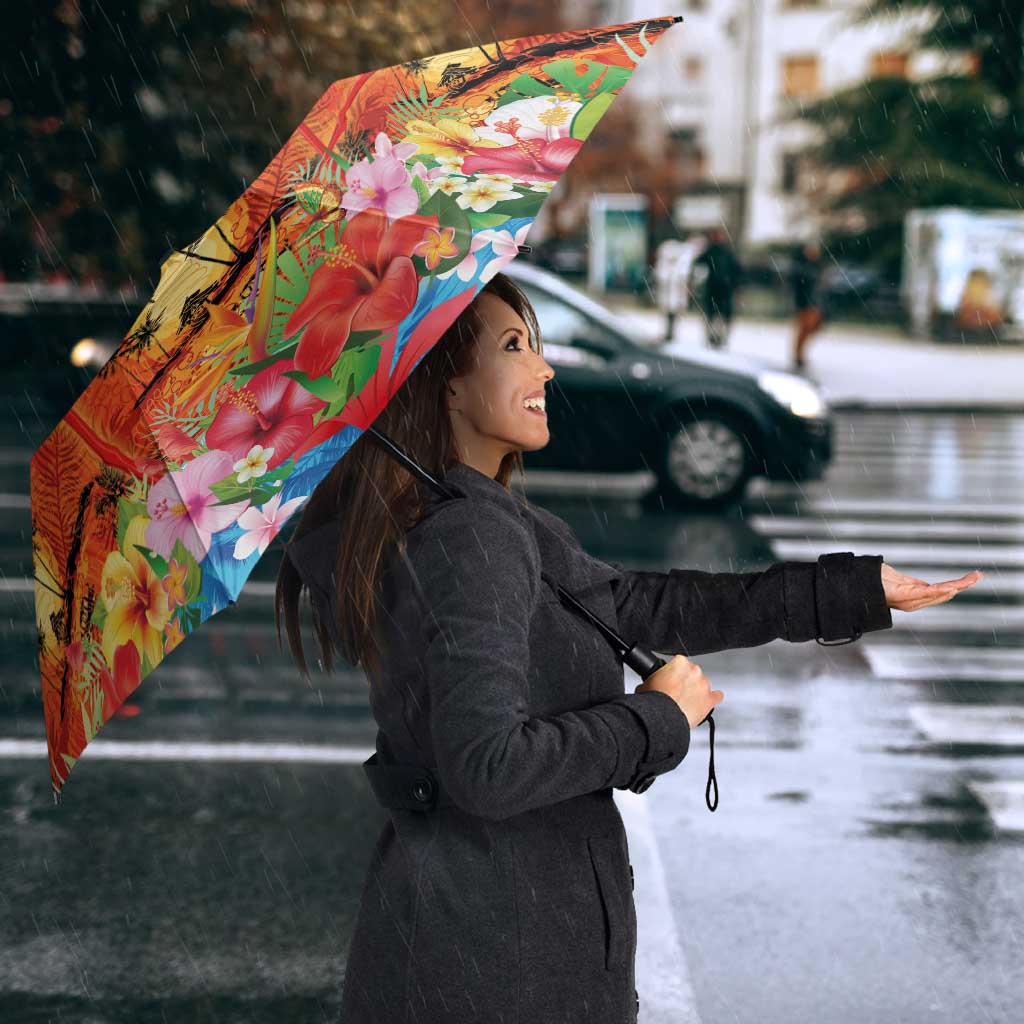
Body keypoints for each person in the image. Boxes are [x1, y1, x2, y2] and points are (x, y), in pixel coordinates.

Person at [276, 272, 982, 1024]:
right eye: (514, 346)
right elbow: (487, 767)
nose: (544, 368)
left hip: (480, 944)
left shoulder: (481, 520)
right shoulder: (470, 537)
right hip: (496, 963)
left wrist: (849, 590)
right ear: (447, 387)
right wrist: (655, 719)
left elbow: (644, 606)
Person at [692, 226, 742, 349]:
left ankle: (719, 337)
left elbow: (736, 270)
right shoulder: (712, 251)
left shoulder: (725, 252)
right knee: (713, 314)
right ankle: (713, 337)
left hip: (723, 288)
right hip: (715, 288)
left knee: (720, 315)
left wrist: (735, 284)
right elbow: (698, 264)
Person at [790, 239, 826, 370]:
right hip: (805, 303)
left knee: (812, 328)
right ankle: (798, 355)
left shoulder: (817, 266)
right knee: (804, 329)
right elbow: (799, 286)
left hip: (814, 303)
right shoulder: (802, 267)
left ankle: (799, 354)